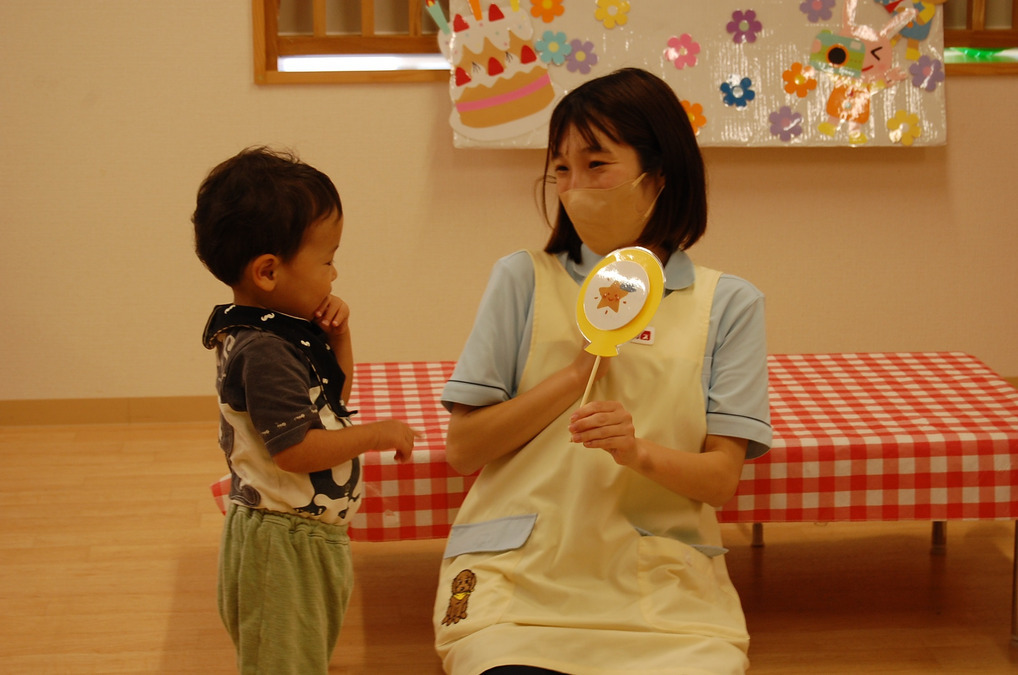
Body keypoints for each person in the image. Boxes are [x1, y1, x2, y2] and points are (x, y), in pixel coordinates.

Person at [432, 68, 772, 675]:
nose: (573, 186)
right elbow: (464, 448)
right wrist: (573, 374)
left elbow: (721, 480)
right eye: (561, 169)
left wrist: (637, 453)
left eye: (597, 165)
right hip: (518, 583)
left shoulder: (729, 303)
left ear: (659, 175)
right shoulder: (521, 279)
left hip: (664, 594)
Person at [193, 147, 418, 674]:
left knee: (302, 654)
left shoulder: (274, 331)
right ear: (268, 272)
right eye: (327, 259)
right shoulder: (265, 349)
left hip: (301, 534)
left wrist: (339, 337)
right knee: (284, 660)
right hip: (281, 544)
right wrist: (377, 434)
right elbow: (296, 449)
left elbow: (329, 401)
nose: (334, 274)